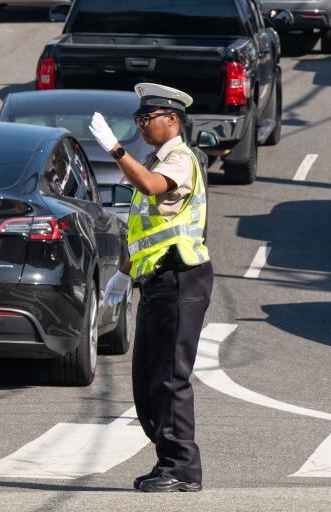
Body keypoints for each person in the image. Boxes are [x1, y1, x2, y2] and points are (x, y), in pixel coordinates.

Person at [89, 83, 212, 494]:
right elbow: (144, 233)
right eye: (138, 120)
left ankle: (183, 468)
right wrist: (123, 273)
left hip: (181, 277)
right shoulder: (151, 159)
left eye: (149, 118)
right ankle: (167, 460)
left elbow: (151, 187)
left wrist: (115, 151)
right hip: (156, 279)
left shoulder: (179, 159)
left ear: (172, 120)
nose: (141, 126)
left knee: (170, 377)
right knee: (146, 379)